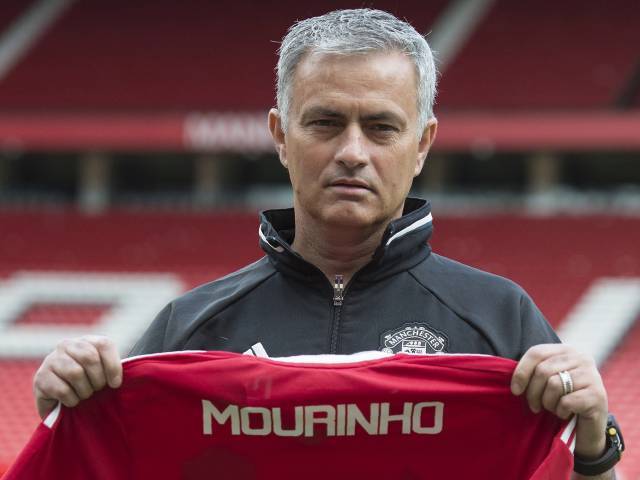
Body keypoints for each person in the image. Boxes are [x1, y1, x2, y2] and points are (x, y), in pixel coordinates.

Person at [32, 9, 617, 479]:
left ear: (423, 145)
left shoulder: (501, 319)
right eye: (325, 123)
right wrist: (73, 418)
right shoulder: (187, 328)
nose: (353, 153)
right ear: (281, 136)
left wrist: (594, 449)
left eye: (382, 128)